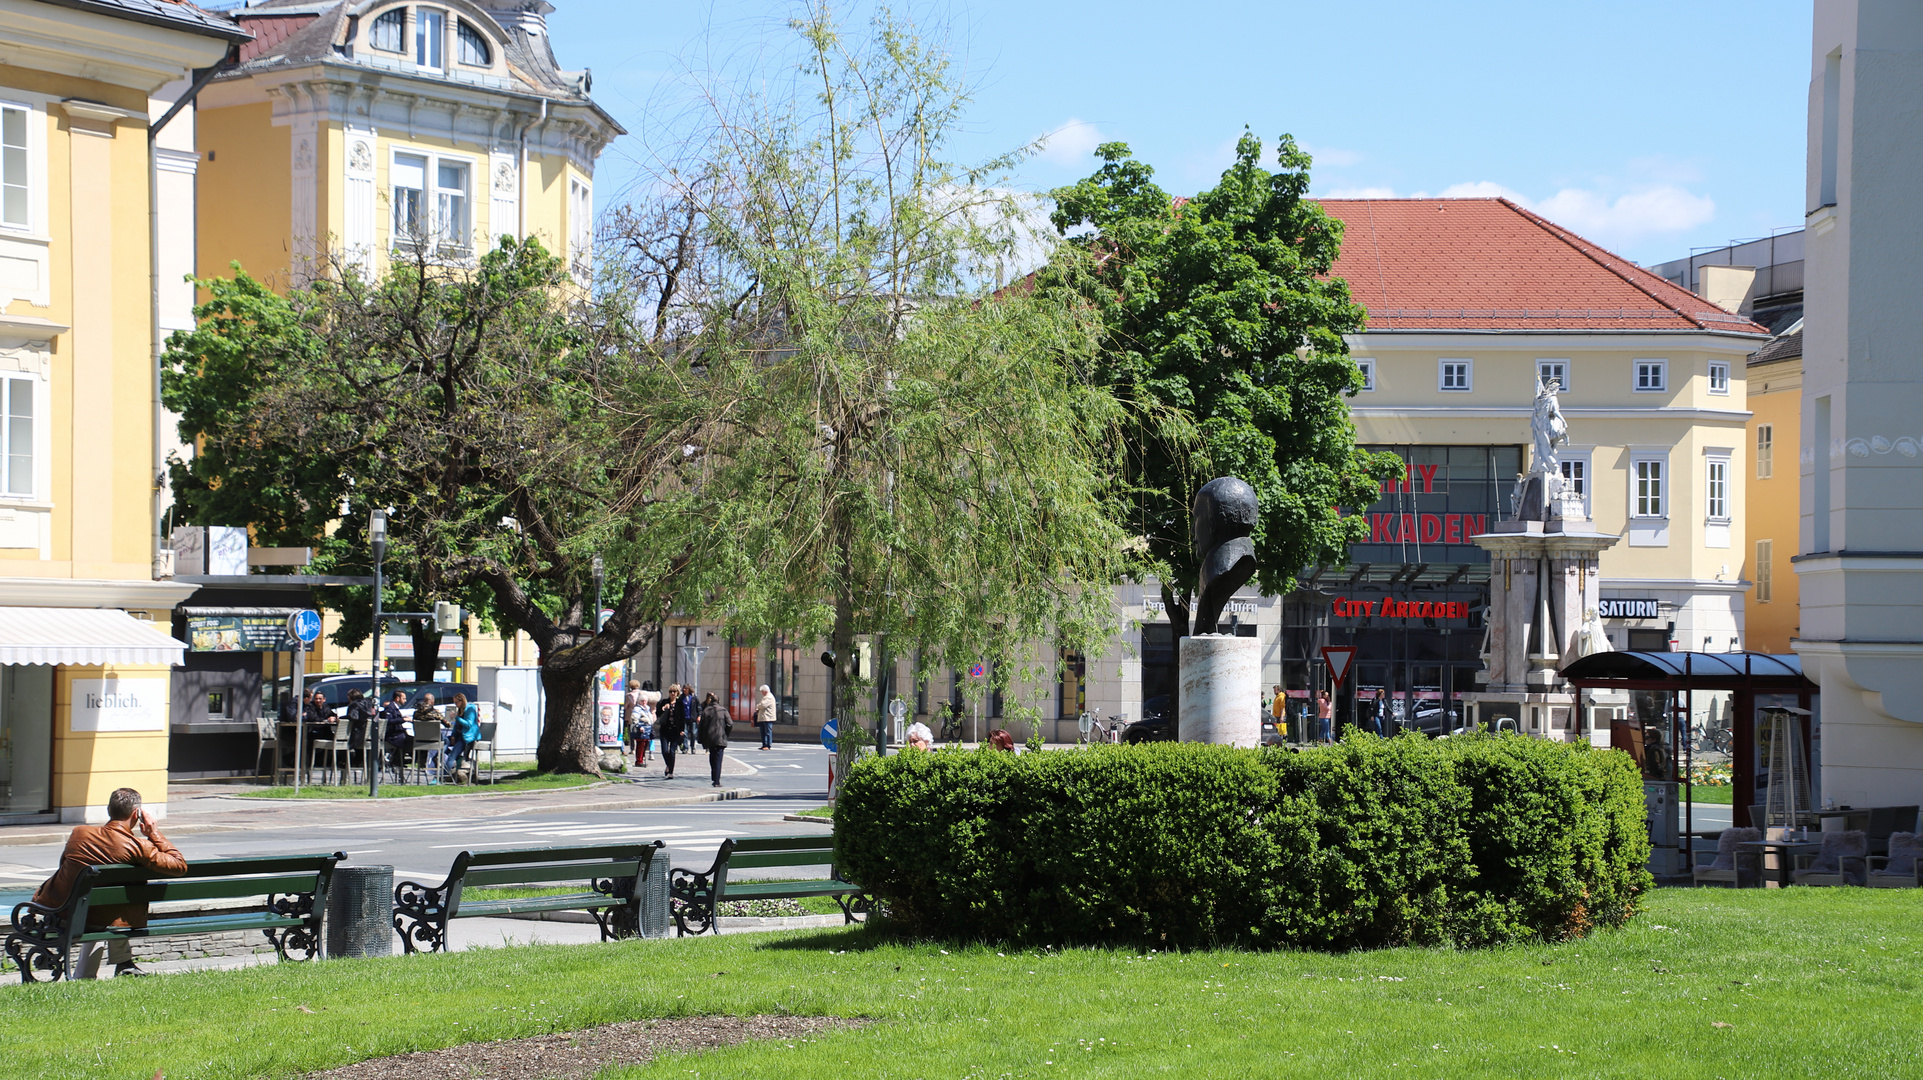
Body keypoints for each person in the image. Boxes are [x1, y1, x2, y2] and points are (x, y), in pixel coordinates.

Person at [32, 787, 186, 978]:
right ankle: (117, 965)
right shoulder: (139, 846)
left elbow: (63, 864)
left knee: (100, 910)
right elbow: (179, 865)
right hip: (99, 919)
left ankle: (113, 967)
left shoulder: (79, 833)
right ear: (136, 814)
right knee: (108, 911)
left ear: (109, 810)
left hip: (62, 912)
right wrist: (153, 833)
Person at [696, 691, 730, 787]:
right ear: (719, 701)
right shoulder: (723, 711)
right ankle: (716, 781)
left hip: (710, 738)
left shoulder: (706, 711)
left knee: (712, 757)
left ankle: (714, 777)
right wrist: (725, 733)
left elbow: (701, 726)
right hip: (720, 738)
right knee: (718, 759)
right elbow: (730, 723)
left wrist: (701, 738)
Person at [445, 692, 480, 781]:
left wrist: (456, 717)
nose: (456, 705)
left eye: (457, 702)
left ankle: (444, 776)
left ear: (462, 701)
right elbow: (456, 725)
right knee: (444, 742)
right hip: (458, 735)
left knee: (452, 756)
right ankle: (459, 759)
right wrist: (452, 736)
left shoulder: (470, 709)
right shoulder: (460, 710)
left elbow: (468, 724)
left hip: (467, 737)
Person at [380, 689, 412, 782]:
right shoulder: (390, 708)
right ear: (397, 698)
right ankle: (397, 761)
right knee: (408, 741)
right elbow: (388, 721)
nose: (405, 700)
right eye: (404, 698)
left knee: (412, 740)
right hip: (392, 736)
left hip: (398, 734)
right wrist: (403, 720)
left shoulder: (396, 707)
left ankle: (398, 760)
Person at [413, 693, 444, 782]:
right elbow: (447, 723)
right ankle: (438, 759)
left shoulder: (416, 713)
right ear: (432, 701)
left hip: (419, 742)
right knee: (446, 740)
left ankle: (427, 760)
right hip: (434, 741)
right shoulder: (434, 712)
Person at [656, 685, 682, 779]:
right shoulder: (664, 702)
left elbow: (682, 718)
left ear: (677, 693)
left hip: (675, 730)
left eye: (674, 692)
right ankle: (668, 764)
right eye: (671, 691)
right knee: (664, 750)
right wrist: (663, 709)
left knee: (672, 751)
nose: (672, 693)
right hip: (665, 730)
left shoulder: (680, 703)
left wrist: (682, 730)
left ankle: (670, 771)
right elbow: (657, 713)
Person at [754, 684, 777, 750]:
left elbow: (763, 705)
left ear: (765, 691)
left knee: (767, 732)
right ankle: (764, 744)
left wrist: (758, 706)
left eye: (762, 691)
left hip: (768, 718)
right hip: (764, 717)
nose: (761, 693)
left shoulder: (769, 697)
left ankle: (768, 745)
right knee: (763, 732)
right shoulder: (766, 697)